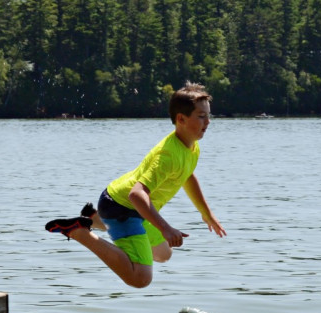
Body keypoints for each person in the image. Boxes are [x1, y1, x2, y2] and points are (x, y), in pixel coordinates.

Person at [46, 82, 226, 288]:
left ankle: (95, 219)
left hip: (132, 207)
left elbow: (187, 175)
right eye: (201, 116)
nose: (208, 122)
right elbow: (136, 195)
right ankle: (78, 231)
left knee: (163, 253)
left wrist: (206, 213)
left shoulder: (191, 147)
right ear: (181, 119)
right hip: (121, 207)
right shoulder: (167, 155)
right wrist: (165, 228)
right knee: (140, 278)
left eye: (208, 115)